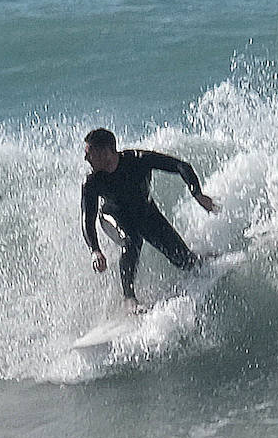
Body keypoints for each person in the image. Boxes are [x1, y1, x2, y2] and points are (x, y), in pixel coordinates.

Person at [81, 128, 220, 313]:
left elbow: (181, 166)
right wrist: (95, 250)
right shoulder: (91, 182)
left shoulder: (138, 160)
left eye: (89, 154)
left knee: (186, 262)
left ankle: (203, 259)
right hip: (112, 216)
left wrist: (198, 194)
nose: (86, 159)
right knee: (131, 241)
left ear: (106, 151)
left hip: (145, 214)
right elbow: (87, 220)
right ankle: (129, 298)